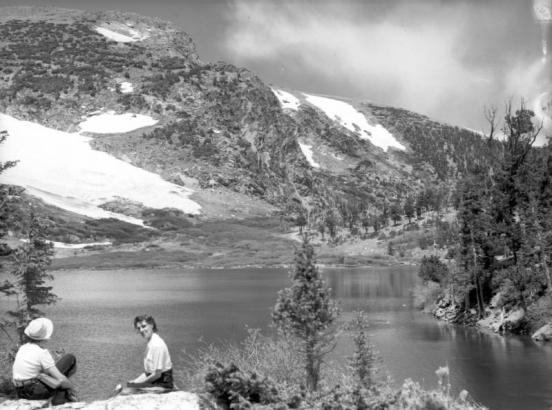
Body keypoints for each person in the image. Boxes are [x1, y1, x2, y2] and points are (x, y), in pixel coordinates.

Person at [12, 318, 78, 405]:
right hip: (34, 392)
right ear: (44, 337)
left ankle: (61, 396)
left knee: (52, 375)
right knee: (70, 359)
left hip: (20, 392)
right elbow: (60, 378)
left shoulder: (22, 348)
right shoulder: (42, 353)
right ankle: (59, 399)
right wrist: (72, 388)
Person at [128, 315, 173, 390]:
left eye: (144, 326)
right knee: (130, 385)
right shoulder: (150, 343)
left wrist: (140, 384)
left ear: (152, 325)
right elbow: (147, 372)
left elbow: (157, 374)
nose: (141, 330)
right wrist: (135, 382)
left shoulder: (157, 345)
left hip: (163, 384)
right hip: (154, 381)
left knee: (133, 390)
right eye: (139, 328)